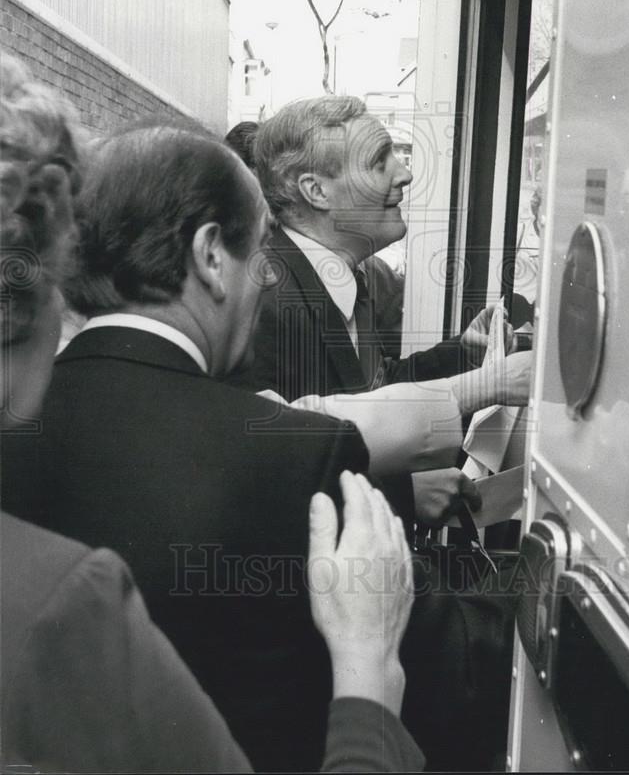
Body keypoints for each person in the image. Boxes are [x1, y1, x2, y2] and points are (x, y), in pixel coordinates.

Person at [0, 54, 423, 771]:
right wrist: (368, 672)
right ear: (208, 257)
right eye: (258, 252)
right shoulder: (70, 599)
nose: (266, 279)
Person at [231, 94, 530, 527]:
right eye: (379, 161)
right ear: (316, 191)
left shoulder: (343, 278)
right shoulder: (263, 297)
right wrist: (398, 498)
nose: (405, 174)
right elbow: (266, 467)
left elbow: (369, 391)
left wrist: (463, 352)